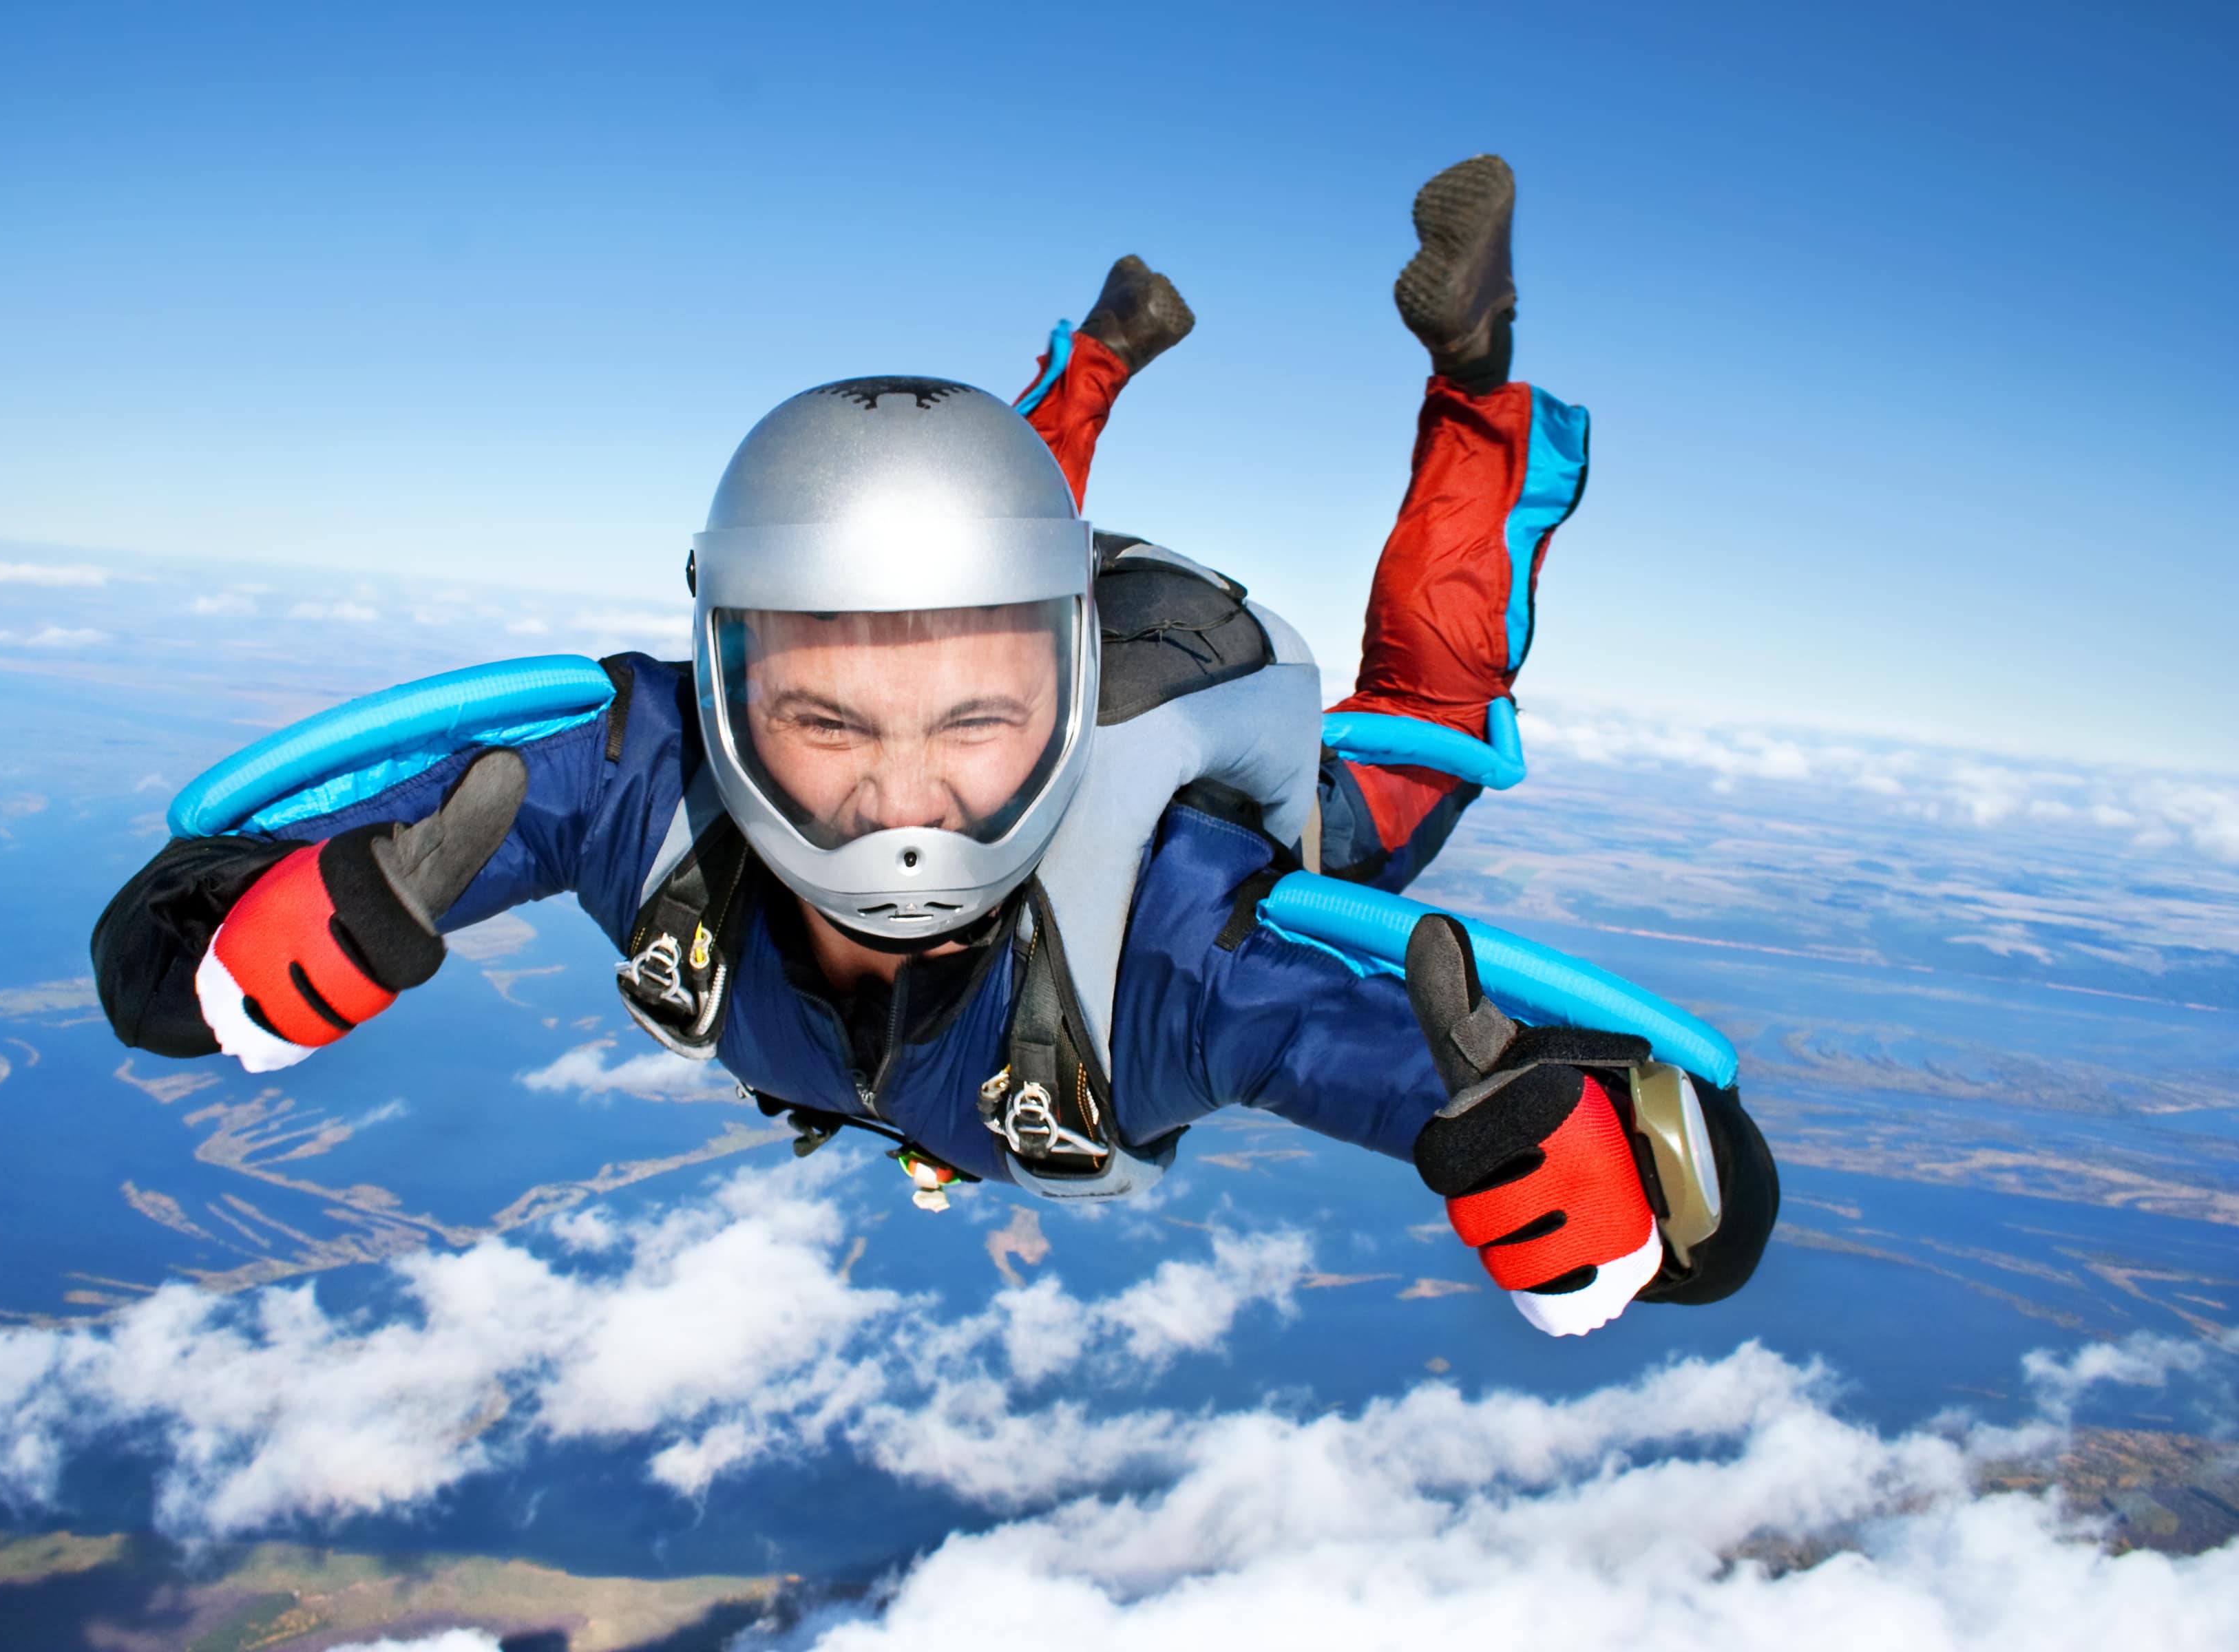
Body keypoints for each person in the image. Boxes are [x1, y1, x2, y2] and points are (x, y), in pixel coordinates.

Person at [93, 157, 1776, 1337]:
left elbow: (1455, 1068)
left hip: (1186, 739)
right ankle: (1259, 379)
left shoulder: (1177, 944)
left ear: (1059, 695)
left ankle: (1417, 377)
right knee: (993, 588)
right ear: (730, 692)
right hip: (1030, 679)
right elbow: (200, 926)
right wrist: (233, 934)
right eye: (824, 720)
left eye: (976, 723)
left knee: (1411, 740)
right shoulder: (649, 783)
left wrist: (1595, 1154)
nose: (903, 802)